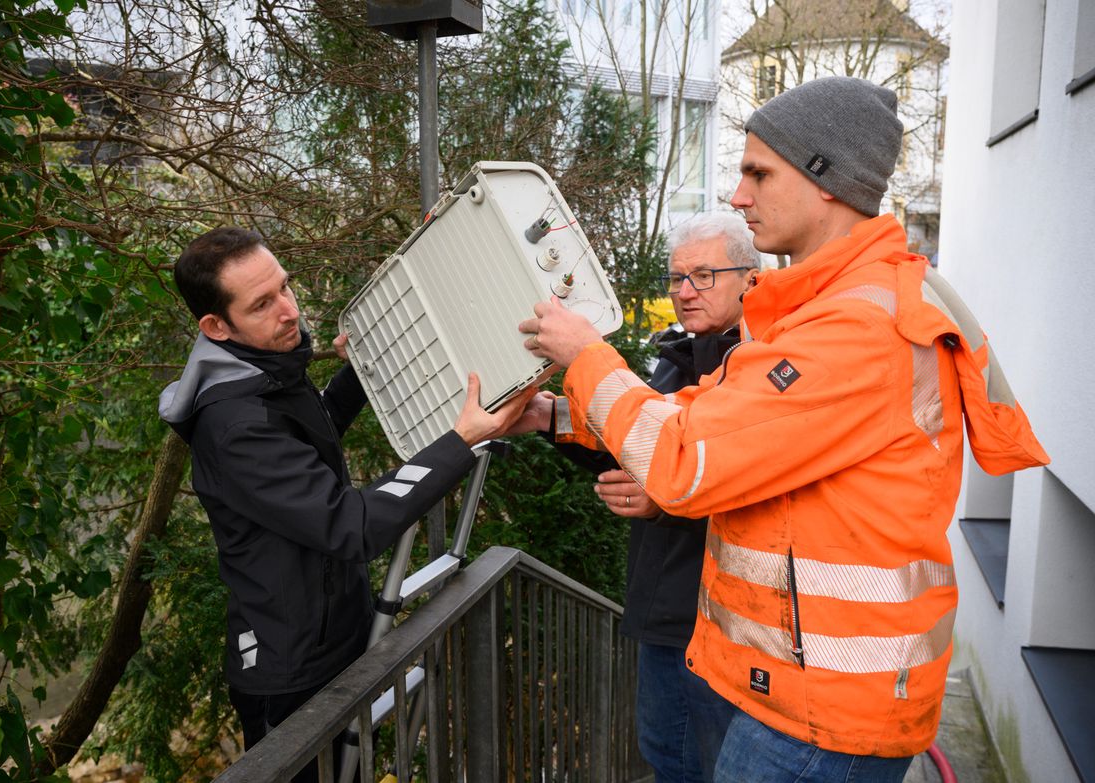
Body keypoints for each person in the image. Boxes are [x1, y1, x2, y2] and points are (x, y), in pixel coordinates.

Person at [517, 77, 1048, 782]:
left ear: (826, 178)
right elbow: (704, 415)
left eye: (758, 172)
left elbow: (683, 460)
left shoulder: (855, 329)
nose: (739, 194)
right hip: (799, 691)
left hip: (826, 712)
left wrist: (585, 356)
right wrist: (560, 414)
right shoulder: (822, 311)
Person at [158, 227, 530, 776]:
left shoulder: (264, 373)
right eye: (262, 303)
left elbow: (314, 436)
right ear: (216, 326)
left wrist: (357, 372)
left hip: (333, 637)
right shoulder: (235, 424)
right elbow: (349, 523)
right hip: (290, 669)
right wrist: (459, 443)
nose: (289, 311)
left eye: (285, 288)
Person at [518, 212, 756, 782]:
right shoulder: (680, 358)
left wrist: (666, 499)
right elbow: (634, 442)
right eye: (676, 278)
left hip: (713, 629)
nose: (684, 291)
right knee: (668, 758)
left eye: (703, 275)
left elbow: (752, 489)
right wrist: (548, 417)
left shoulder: (756, 369)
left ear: (750, 278)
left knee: (692, 767)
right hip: (667, 614)